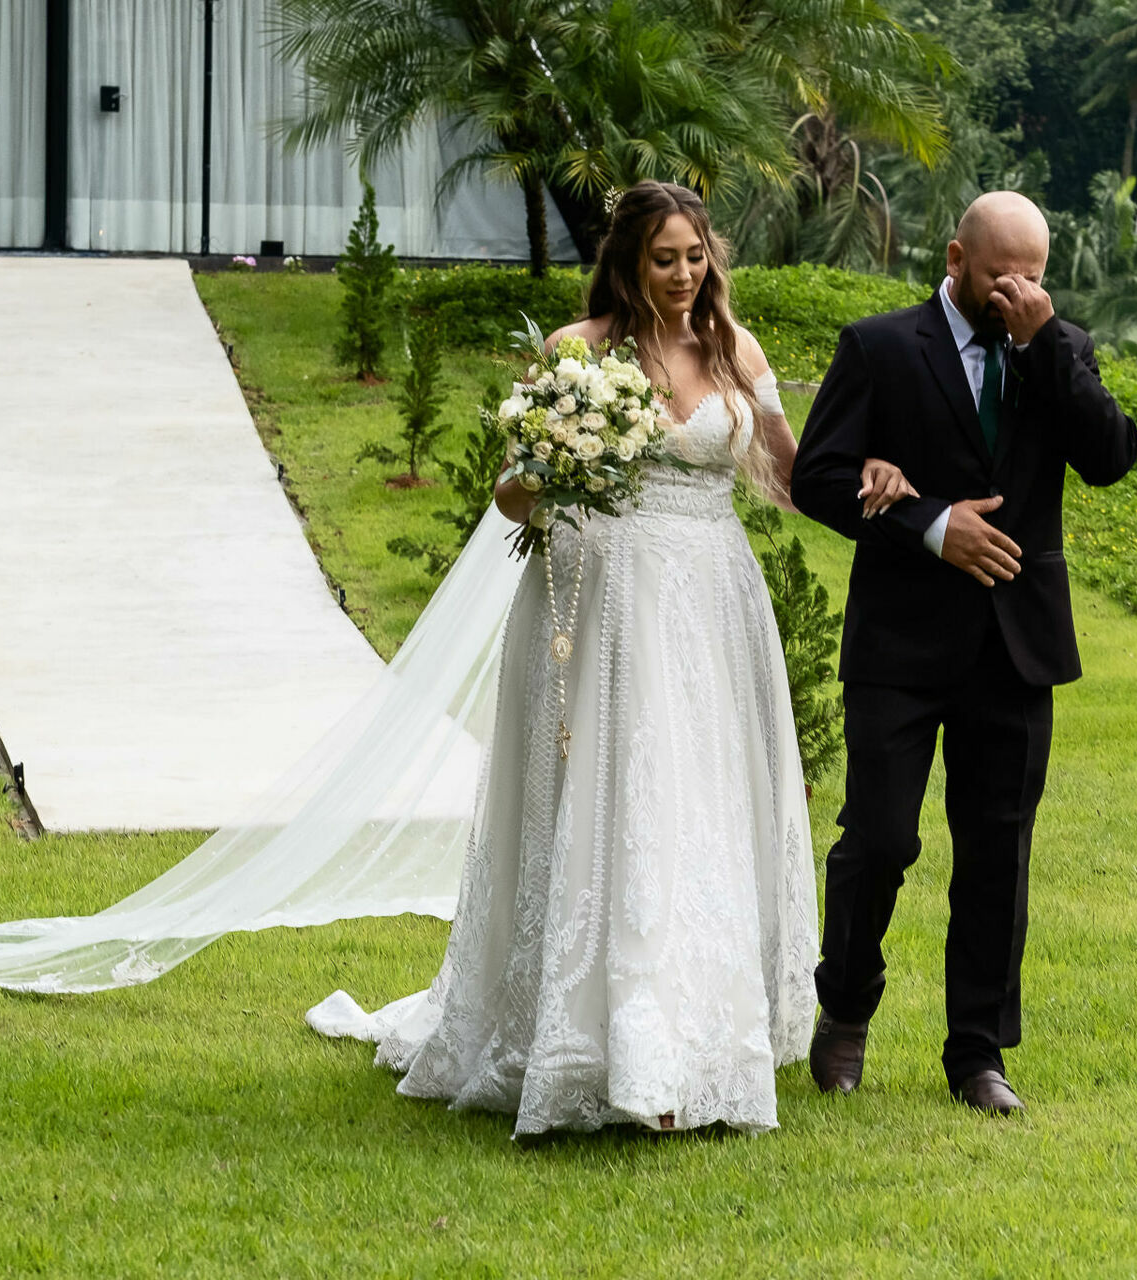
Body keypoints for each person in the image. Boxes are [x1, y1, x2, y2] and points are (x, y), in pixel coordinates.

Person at [308, 180, 919, 1136]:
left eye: (695, 256)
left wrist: (874, 470)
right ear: (629, 262)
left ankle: (691, 1041)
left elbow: (796, 479)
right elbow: (511, 495)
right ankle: (594, 1041)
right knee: (618, 799)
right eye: (664, 259)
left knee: (696, 806)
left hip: (710, 604)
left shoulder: (735, 350)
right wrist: (558, 461)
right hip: (601, 599)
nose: (683, 275)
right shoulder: (576, 352)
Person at [790, 191, 1137, 1115]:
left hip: (1016, 647)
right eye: (999, 276)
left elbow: (1111, 457)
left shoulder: (1058, 348)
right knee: (880, 839)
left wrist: (1046, 342)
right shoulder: (879, 346)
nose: (1016, 292)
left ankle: (978, 1054)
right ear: (955, 260)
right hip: (899, 643)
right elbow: (817, 478)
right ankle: (845, 1009)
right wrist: (929, 523)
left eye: (1034, 277)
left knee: (997, 855)